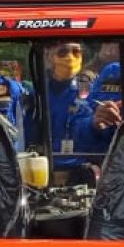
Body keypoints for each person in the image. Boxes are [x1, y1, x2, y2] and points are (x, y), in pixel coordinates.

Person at [30, 41, 91, 169]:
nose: (70, 58)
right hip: (43, 167)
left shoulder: (90, 91)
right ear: (48, 56)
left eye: (76, 52)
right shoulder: (37, 92)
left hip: (80, 167)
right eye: (63, 52)